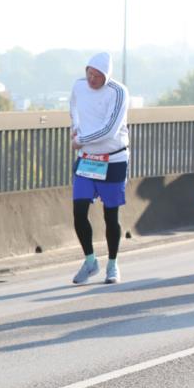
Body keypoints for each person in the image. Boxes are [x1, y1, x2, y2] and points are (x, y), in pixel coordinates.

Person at [69, 51, 130, 285]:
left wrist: (81, 140)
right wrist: (75, 128)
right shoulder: (79, 86)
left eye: (97, 76)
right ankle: (90, 261)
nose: (92, 79)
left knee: (110, 215)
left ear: (107, 75)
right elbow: (74, 108)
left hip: (112, 159)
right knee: (79, 211)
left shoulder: (118, 92)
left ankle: (113, 265)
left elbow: (109, 130)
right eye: (89, 74)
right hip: (87, 159)